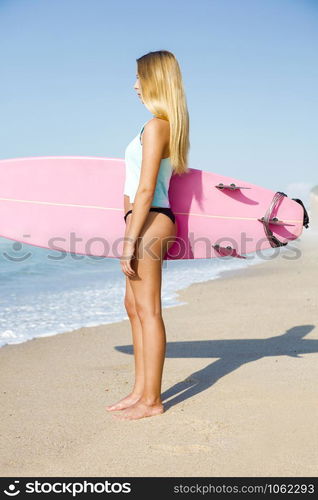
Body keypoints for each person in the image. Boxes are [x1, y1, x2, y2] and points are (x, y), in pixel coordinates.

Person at [106, 50, 190, 420]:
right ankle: (140, 390)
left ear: (155, 80)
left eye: (139, 77)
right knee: (133, 306)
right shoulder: (154, 125)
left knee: (149, 310)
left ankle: (152, 401)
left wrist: (129, 241)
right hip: (142, 219)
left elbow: (144, 189)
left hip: (151, 221)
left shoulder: (157, 125)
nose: (134, 85)